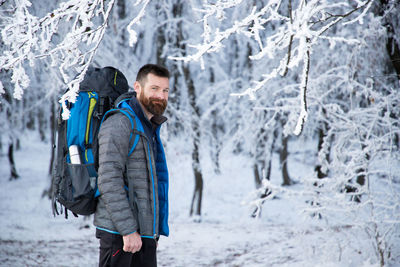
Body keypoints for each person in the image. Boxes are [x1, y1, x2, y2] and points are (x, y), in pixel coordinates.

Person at [94, 64, 170, 267]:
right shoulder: (120, 122)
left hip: (144, 233)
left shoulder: (148, 126)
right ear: (137, 87)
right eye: (154, 88)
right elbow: (108, 179)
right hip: (120, 234)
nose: (161, 96)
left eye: (165, 90)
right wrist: (128, 230)